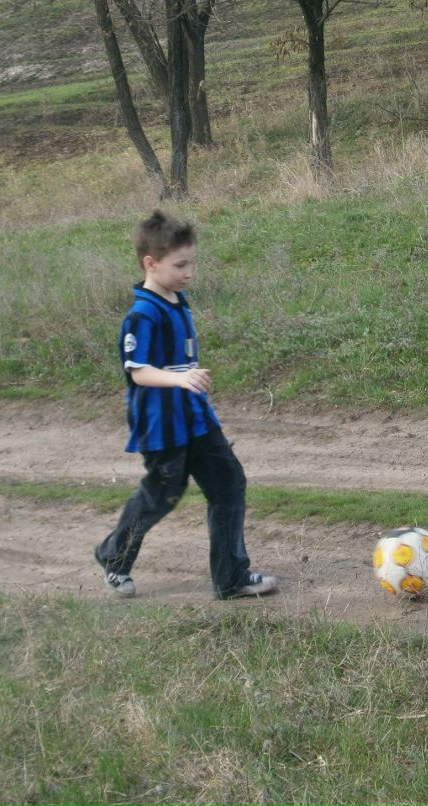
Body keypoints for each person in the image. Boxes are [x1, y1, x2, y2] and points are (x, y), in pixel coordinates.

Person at [94, 210, 278, 600]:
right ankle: (114, 556)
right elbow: (138, 371)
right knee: (162, 495)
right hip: (161, 427)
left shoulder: (178, 300)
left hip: (195, 419)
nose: (189, 272)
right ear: (151, 263)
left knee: (229, 484)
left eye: (191, 263)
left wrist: (187, 381)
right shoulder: (142, 315)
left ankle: (230, 579)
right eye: (180, 265)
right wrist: (179, 379)